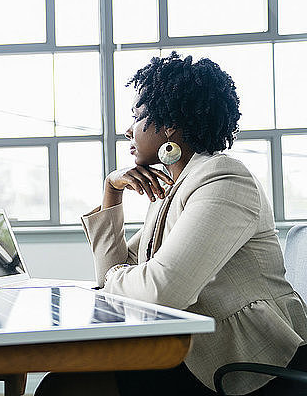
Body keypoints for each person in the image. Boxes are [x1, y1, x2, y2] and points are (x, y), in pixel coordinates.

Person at [34, 52, 307, 395]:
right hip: (194, 350)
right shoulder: (172, 188)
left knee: (64, 388)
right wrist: (111, 191)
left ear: (169, 125)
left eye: (136, 117)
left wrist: (118, 280)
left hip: (249, 366)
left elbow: (160, 291)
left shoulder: (225, 180)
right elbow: (115, 280)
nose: (127, 129)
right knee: (61, 383)